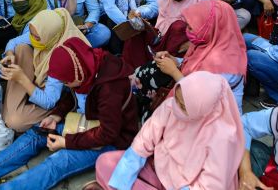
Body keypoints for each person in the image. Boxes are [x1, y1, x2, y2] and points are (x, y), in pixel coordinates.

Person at [0, 36, 138, 190]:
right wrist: (56, 116)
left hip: (113, 141)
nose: (67, 86)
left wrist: (66, 142)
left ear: (78, 73)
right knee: (38, 132)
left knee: (60, 160)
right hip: (85, 123)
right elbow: (72, 95)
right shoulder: (85, 67)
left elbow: (108, 133)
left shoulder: (110, 86)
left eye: (67, 81)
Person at [95, 71, 245, 190]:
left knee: (114, 179)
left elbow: (211, 185)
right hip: (159, 167)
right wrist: (128, 168)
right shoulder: (172, 106)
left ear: (203, 109)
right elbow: (145, 137)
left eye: (184, 106)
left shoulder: (222, 138)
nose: (176, 106)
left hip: (187, 185)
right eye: (177, 99)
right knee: (105, 163)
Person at [0, 9, 89, 131]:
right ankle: (11, 110)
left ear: (51, 36)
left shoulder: (62, 56)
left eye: (36, 37)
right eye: (31, 33)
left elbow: (49, 101)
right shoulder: (46, 32)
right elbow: (13, 42)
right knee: (21, 48)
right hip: (39, 80)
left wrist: (21, 79)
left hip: (55, 97)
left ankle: (9, 110)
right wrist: (10, 54)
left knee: (15, 122)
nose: (31, 38)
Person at [154, 0, 247, 113]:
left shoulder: (226, 66)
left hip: (217, 122)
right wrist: (176, 61)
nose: (187, 31)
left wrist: (174, 72)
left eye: (191, 27)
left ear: (210, 27)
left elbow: (199, 98)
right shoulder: (212, 43)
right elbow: (197, 63)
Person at [125, 0, 202, 82]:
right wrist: (138, 13)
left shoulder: (200, 9)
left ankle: (154, 74)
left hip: (176, 53)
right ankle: (131, 72)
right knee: (136, 33)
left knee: (178, 27)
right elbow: (151, 10)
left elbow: (204, 37)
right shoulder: (166, 2)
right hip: (159, 41)